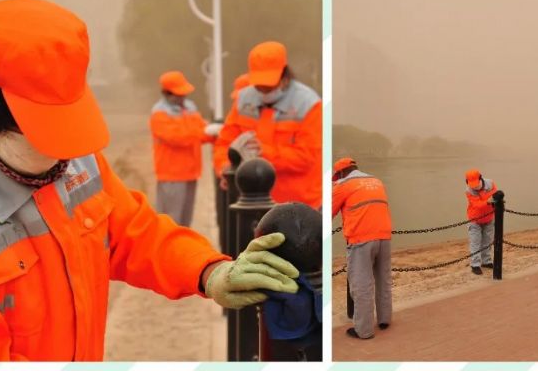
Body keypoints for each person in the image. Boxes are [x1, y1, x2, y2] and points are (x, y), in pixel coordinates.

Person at [0, 0, 300, 361]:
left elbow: (131, 230)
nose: (63, 155)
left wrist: (209, 270)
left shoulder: (71, 146)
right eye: (47, 135)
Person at [213, 41, 321, 208]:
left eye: (269, 85)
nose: (263, 90)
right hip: (250, 202)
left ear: (284, 75)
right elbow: (224, 143)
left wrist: (263, 152)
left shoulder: (308, 104)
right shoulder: (243, 99)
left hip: (297, 205)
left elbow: (306, 157)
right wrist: (226, 170)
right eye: (259, 85)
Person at [332, 158, 392, 340]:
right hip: (384, 236)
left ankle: (364, 330)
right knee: (383, 279)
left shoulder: (343, 185)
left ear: (341, 173)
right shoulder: (377, 181)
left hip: (361, 239)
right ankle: (384, 319)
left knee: (361, 285)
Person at [150, 70, 214, 226]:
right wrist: (204, 131)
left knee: (185, 220)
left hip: (191, 172)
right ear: (167, 93)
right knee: (170, 221)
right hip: (171, 175)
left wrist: (214, 132)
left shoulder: (190, 108)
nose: (183, 97)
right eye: (179, 94)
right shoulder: (159, 114)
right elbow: (177, 138)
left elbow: (201, 131)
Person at [465, 169, 497, 275]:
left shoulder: (490, 183)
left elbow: (496, 195)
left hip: (489, 218)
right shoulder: (468, 191)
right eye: (472, 184)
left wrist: (497, 198)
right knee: (475, 242)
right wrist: (488, 201)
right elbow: (477, 205)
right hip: (474, 220)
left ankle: (486, 261)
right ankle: (475, 265)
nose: (474, 186)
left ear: (480, 178)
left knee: (487, 241)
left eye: (476, 183)